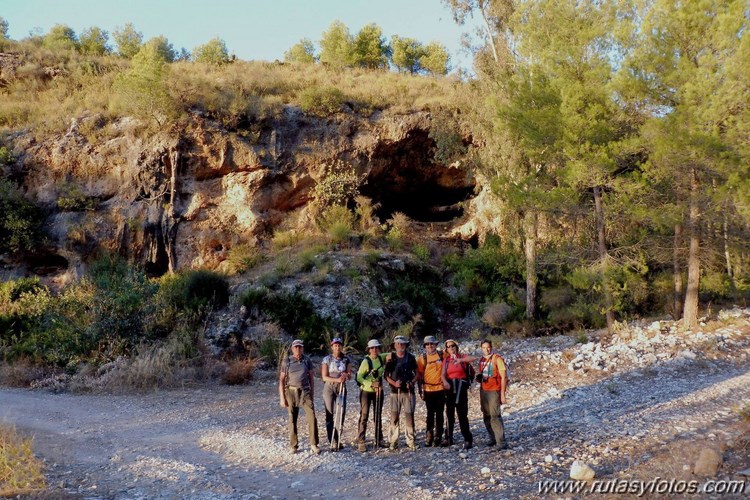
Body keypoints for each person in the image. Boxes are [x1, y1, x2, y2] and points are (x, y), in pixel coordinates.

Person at [279, 339, 320, 454]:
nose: (298, 349)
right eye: (296, 347)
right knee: (292, 418)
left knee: (312, 416)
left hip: (305, 391)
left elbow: (311, 378)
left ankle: (313, 444)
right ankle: (293, 445)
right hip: (291, 391)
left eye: (300, 347)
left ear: (302, 348)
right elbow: (281, 380)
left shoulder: (307, 361)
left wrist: (312, 394)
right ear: (292, 349)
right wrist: (282, 397)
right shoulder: (287, 361)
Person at [441, 339, 478, 450]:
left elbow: (473, 358)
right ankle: (448, 438)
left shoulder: (462, 357)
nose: (451, 348)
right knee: (449, 413)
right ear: (446, 349)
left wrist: (460, 359)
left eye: (453, 346)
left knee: (462, 414)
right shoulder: (446, 360)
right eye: (448, 346)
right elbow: (442, 374)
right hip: (450, 387)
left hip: (461, 386)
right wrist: (445, 382)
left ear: (456, 346)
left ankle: (467, 439)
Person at [384, 335, 419, 451]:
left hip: (408, 391)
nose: (400, 346)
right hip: (395, 391)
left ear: (406, 345)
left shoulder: (411, 358)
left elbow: (417, 373)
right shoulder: (391, 358)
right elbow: (386, 375)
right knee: (394, 416)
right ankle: (393, 441)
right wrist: (394, 384)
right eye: (398, 344)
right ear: (394, 346)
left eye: (402, 344)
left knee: (409, 416)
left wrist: (412, 382)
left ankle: (410, 440)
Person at [356, 339, 388, 452]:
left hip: (378, 391)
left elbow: (392, 354)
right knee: (364, 415)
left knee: (377, 414)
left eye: (376, 347)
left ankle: (379, 438)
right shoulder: (366, 362)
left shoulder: (381, 357)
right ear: (369, 349)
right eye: (372, 348)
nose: (374, 350)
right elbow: (359, 377)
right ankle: (361, 440)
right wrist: (371, 383)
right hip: (366, 391)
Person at [321, 337, 351, 451]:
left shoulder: (346, 359)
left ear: (341, 346)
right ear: (332, 347)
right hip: (329, 387)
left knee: (341, 413)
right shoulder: (326, 359)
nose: (337, 347)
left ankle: (338, 438)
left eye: (339, 345)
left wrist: (346, 375)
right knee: (329, 413)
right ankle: (333, 440)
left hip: (342, 387)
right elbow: (324, 376)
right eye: (335, 345)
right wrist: (337, 380)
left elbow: (350, 375)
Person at [478, 338, 509, 450]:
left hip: (494, 390)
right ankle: (493, 438)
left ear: (491, 347)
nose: (486, 349)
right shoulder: (481, 359)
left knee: (495, 416)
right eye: (484, 347)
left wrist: (502, 394)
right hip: (484, 390)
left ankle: (501, 441)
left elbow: (503, 377)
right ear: (481, 348)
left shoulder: (497, 359)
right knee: (486, 415)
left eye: (488, 347)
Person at [416, 335, 445, 447]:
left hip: (441, 389)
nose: (430, 346)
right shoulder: (422, 358)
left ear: (436, 345)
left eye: (432, 344)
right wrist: (420, 390)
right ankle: (429, 436)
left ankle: (438, 436)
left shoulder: (442, 355)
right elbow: (419, 375)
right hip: (428, 389)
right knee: (430, 414)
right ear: (425, 346)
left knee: (440, 413)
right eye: (427, 344)